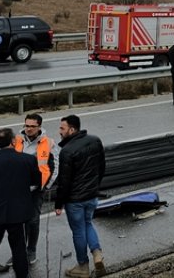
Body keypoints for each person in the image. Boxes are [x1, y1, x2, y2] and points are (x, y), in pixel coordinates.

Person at [0, 127, 41, 278]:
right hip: (17, 214)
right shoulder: (27, 160)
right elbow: (37, 181)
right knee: (19, 249)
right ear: (13, 141)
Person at [55, 115, 106, 278]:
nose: (59, 132)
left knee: (78, 231)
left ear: (72, 129)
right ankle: (97, 253)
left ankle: (83, 267)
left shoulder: (67, 151)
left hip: (75, 200)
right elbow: (102, 167)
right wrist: (95, 186)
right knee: (88, 223)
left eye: (62, 128)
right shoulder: (95, 140)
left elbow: (64, 181)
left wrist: (58, 203)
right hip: (92, 195)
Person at [15, 113, 59, 266]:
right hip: (18, 189)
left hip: (36, 190)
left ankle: (31, 250)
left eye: (32, 126)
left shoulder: (48, 143)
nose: (28, 129)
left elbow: (55, 168)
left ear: (39, 126)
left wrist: (44, 187)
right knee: (18, 221)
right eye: (26, 125)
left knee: (32, 221)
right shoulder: (17, 140)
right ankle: (19, 252)